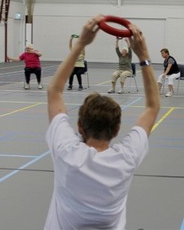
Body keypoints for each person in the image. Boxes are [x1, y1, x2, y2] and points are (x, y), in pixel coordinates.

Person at [45, 15, 160, 230]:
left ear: (80, 126)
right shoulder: (126, 158)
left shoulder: (65, 152)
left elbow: (54, 92)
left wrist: (81, 43)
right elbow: (152, 107)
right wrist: (143, 55)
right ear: (116, 130)